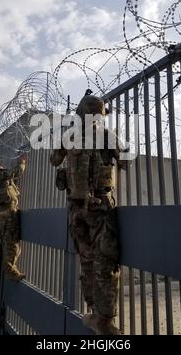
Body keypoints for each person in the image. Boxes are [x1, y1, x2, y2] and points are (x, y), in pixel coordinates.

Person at [50, 92, 126, 335]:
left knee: (90, 260)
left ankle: (95, 312)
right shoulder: (104, 135)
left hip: (77, 207)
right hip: (96, 207)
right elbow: (126, 161)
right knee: (102, 261)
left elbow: (54, 160)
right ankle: (101, 318)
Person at [0, 156, 26, 281]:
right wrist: (22, 163)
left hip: (2, 214)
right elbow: (15, 172)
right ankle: (11, 272)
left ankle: (10, 269)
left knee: (9, 243)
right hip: (8, 214)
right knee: (11, 245)